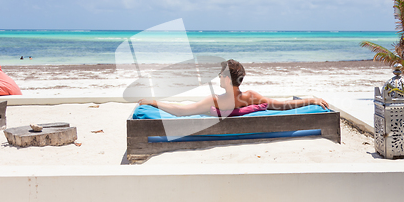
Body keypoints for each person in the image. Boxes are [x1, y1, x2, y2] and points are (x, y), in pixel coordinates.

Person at [138, 59, 329, 116]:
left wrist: (154, 102)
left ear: (228, 79)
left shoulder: (215, 101)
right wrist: (312, 100)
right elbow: (282, 105)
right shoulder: (251, 97)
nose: (218, 78)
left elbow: (181, 111)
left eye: (221, 75)